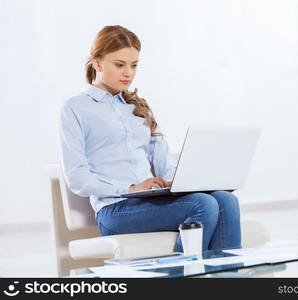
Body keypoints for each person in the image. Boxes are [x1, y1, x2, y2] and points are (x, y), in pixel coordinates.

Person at [58, 25, 242, 252]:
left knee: (226, 200)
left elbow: (164, 163)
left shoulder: (136, 107)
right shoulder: (76, 108)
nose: (128, 73)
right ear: (97, 62)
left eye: (134, 65)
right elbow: (77, 177)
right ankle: (180, 279)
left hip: (151, 202)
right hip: (114, 210)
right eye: (119, 65)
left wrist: (182, 181)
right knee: (203, 205)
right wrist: (131, 188)